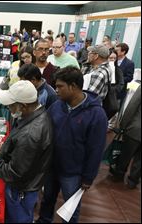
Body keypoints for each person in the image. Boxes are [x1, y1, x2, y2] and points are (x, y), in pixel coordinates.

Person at [36, 66, 108, 223]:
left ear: (73, 86)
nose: (56, 90)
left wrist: (88, 177)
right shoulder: (56, 106)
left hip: (73, 172)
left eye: (60, 86)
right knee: (47, 200)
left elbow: (96, 150)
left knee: (71, 208)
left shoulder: (96, 115)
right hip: (51, 167)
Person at [0, 80, 53, 223]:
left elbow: (14, 173)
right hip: (29, 183)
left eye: (11, 105)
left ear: (23, 106)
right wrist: (6, 150)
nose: (9, 108)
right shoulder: (36, 115)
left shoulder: (30, 134)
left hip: (21, 190)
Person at [109, 80, 141, 189]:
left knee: (125, 154)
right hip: (136, 129)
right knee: (140, 159)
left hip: (135, 130)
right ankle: (133, 180)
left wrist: (122, 125)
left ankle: (119, 175)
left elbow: (132, 106)